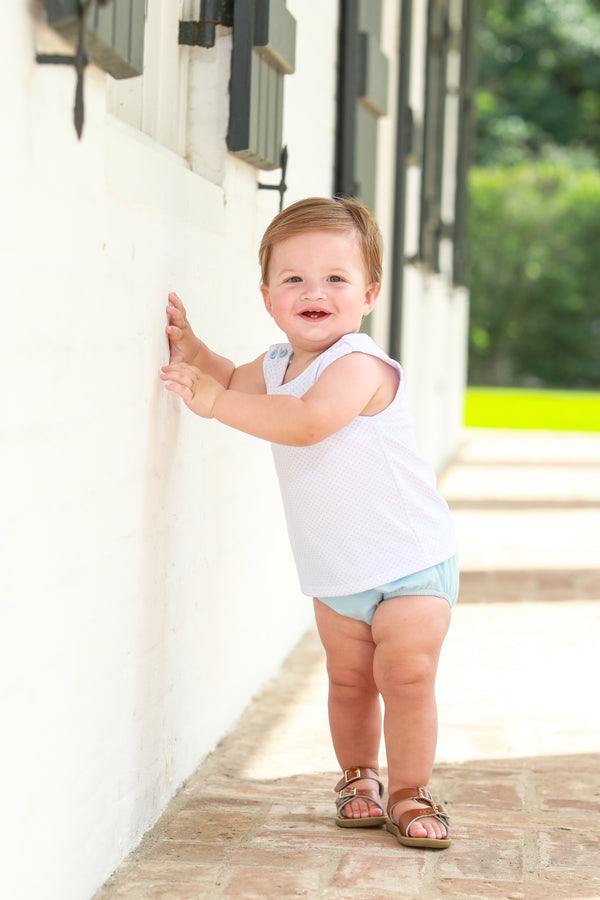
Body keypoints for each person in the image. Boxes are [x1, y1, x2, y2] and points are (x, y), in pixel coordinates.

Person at [160, 197, 458, 849]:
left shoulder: (358, 365)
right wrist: (197, 352)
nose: (314, 292)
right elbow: (231, 377)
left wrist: (215, 403)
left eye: (335, 278)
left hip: (410, 560)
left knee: (405, 676)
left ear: (369, 295)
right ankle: (359, 776)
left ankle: (411, 790)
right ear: (268, 297)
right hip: (336, 570)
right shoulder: (274, 366)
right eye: (294, 278)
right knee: (349, 681)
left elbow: (307, 422)